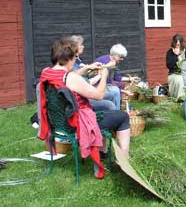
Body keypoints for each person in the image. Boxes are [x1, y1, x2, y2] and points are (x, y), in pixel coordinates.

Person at [39, 38, 131, 178]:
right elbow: (99, 95)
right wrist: (103, 76)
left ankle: (104, 151)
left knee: (106, 108)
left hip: (59, 123)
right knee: (123, 117)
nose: (76, 59)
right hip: (76, 124)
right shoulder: (70, 78)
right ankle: (124, 161)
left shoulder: (47, 73)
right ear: (68, 57)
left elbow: (70, 76)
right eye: (75, 56)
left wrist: (87, 68)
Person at [70, 35, 117, 111]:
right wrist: (101, 75)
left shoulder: (77, 61)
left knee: (112, 95)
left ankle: (114, 116)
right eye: (81, 45)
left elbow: (84, 75)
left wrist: (90, 68)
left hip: (84, 93)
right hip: (81, 98)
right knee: (110, 104)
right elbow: (86, 82)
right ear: (74, 47)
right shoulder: (71, 63)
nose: (83, 46)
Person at [96, 44, 139, 110]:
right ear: (114, 54)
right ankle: (117, 111)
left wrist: (130, 79)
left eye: (123, 57)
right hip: (97, 86)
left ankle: (117, 110)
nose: (122, 59)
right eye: (120, 57)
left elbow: (116, 77)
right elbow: (99, 80)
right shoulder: (103, 61)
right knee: (115, 91)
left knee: (117, 88)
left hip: (106, 85)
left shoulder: (113, 62)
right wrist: (123, 91)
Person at [166, 34, 186, 101]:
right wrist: (176, 55)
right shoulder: (170, 52)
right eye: (176, 43)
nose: (177, 45)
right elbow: (169, 66)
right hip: (174, 74)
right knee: (180, 79)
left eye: (179, 43)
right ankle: (180, 98)